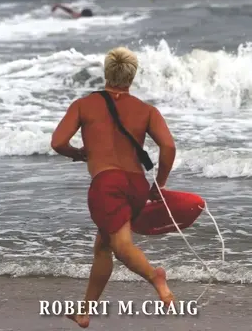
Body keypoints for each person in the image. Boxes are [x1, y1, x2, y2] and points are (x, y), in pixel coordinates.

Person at [51, 47, 176, 328]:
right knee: (103, 247)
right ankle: (85, 312)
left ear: (106, 72)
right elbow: (168, 146)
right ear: (132, 76)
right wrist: (161, 183)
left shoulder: (84, 105)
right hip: (136, 186)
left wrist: (79, 154)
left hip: (107, 186)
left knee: (120, 246)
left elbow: (58, 142)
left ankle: (155, 278)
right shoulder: (147, 110)